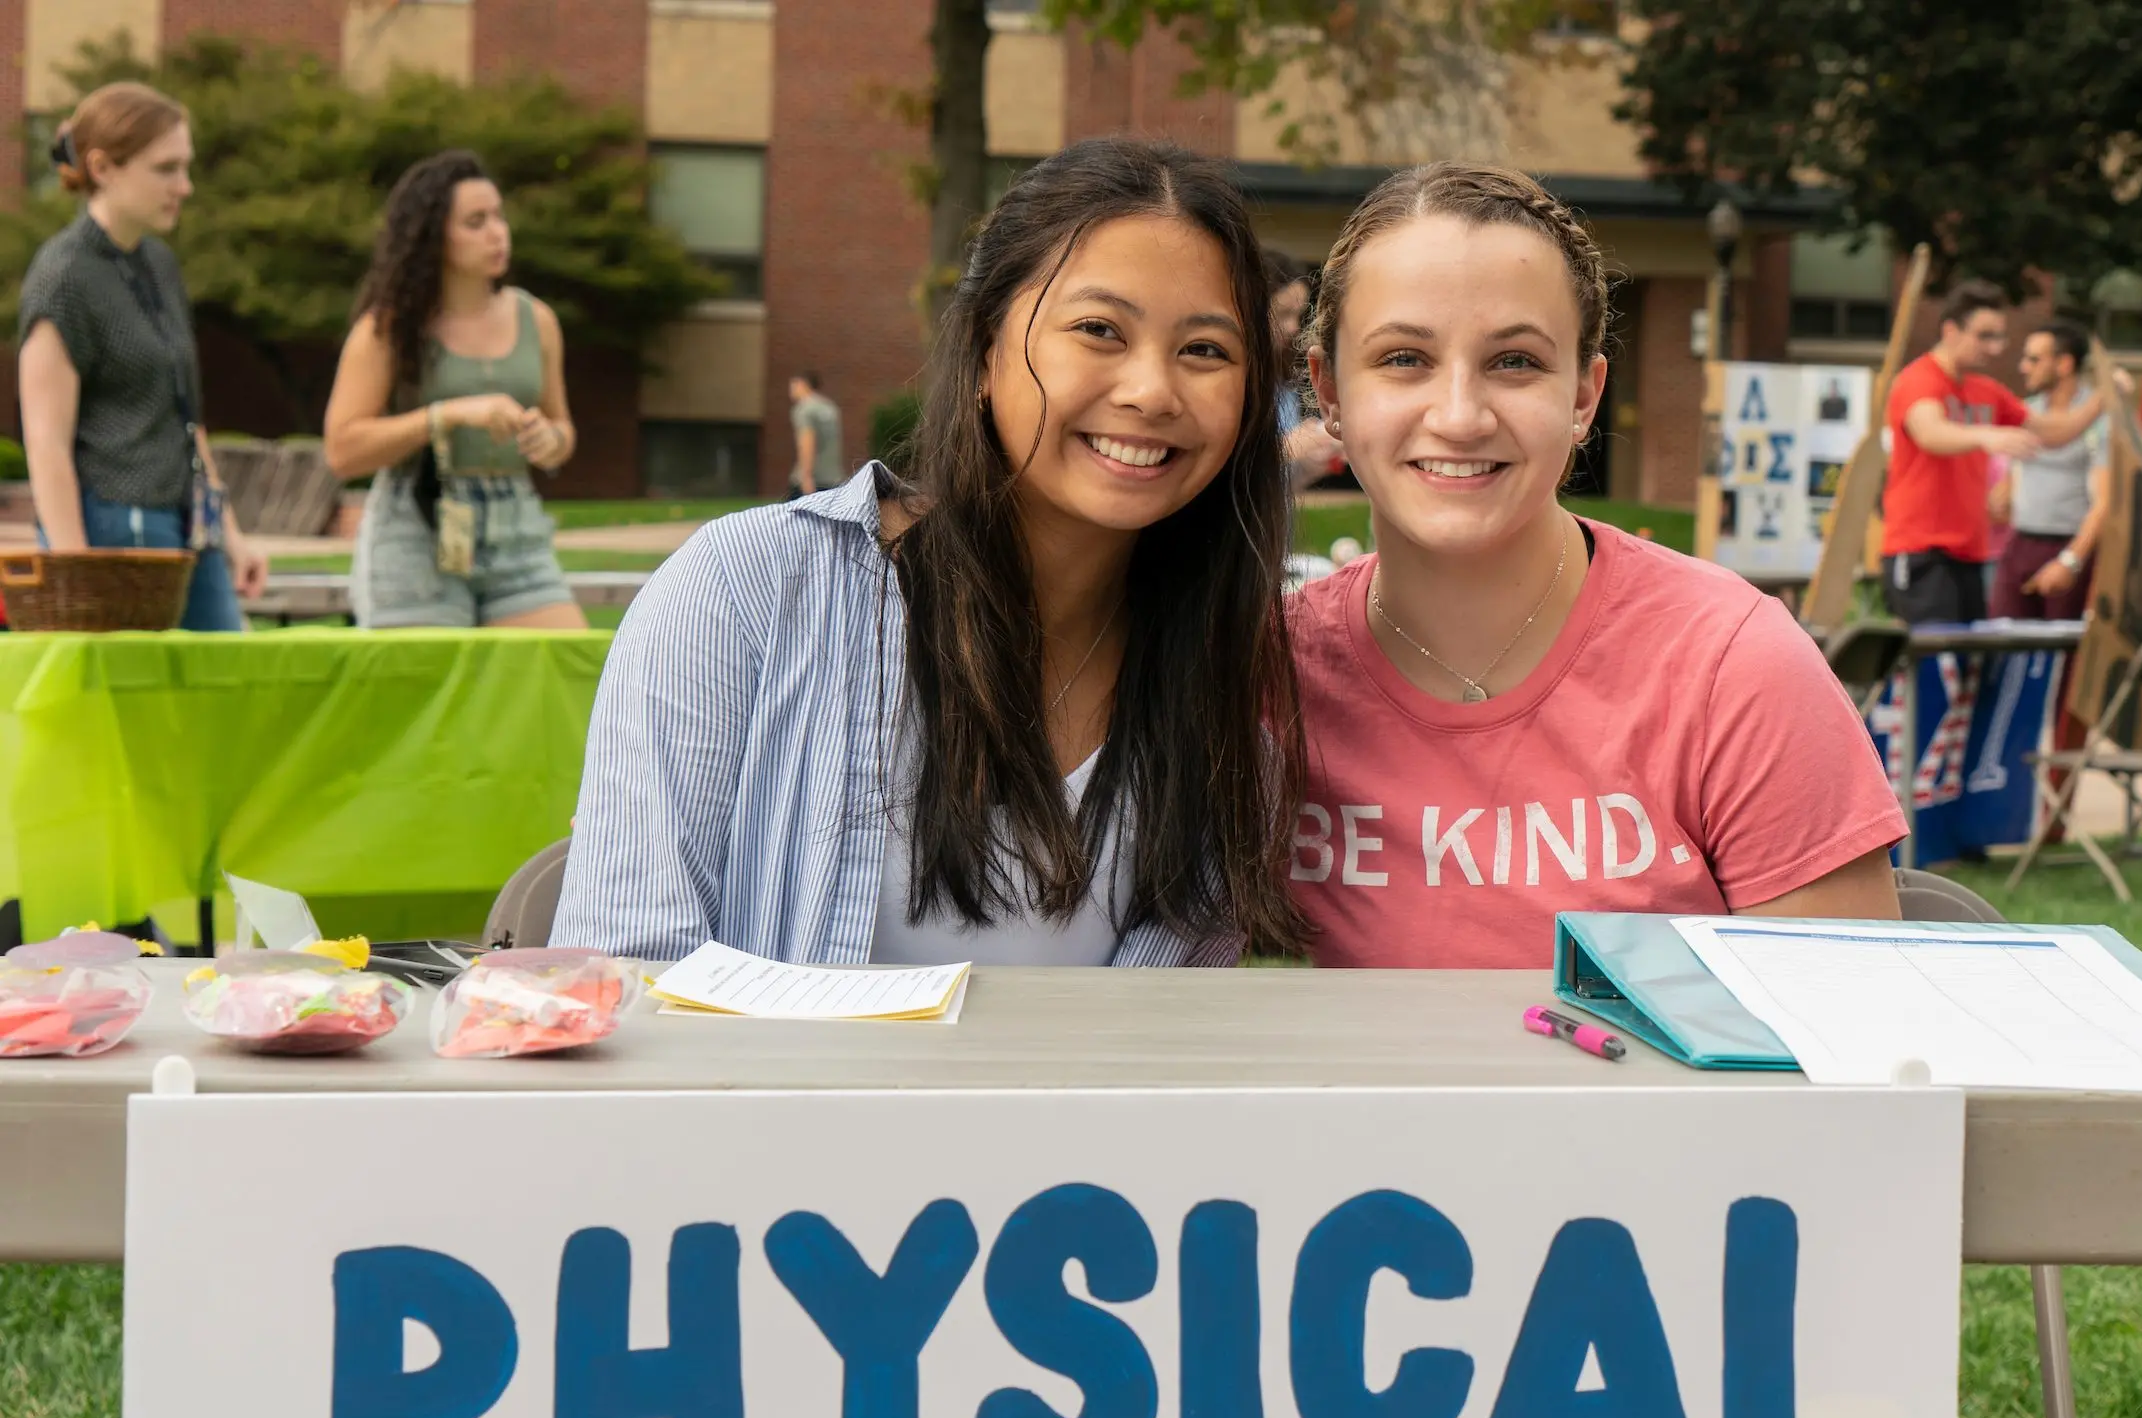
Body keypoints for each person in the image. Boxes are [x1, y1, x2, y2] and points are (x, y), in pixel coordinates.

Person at [552, 137, 1305, 967]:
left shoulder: (1227, 729)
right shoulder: (750, 595)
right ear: (985, 350)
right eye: (1098, 330)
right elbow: (624, 978)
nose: (1151, 391)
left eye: (1206, 350)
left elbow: (1148, 1066)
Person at [1287, 162, 1908, 970]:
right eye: (1404, 358)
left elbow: (1853, 1041)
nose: (1460, 415)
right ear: (1328, 390)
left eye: (1515, 362)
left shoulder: (1731, 668)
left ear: (1585, 395)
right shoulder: (1266, 677)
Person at [17, 82, 268, 630]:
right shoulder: (63, 276)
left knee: (229, 686)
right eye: (166, 169)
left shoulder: (159, 263)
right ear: (104, 167)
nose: (185, 185)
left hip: (187, 526)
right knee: (133, 709)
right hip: (112, 529)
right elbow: (45, 442)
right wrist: (74, 568)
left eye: (186, 167)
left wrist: (232, 534)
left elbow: (184, 417)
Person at [322, 150, 586, 630]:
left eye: (499, 217)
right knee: (428, 692)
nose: (497, 233)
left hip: (516, 531)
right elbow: (342, 450)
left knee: (562, 674)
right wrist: (449, 414)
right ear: (432, 235)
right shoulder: (388, 329)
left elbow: (562, 428)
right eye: (475, 221)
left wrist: (551, 441)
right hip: (415, 529)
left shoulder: (538, 321)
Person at [1879, 282, 2110, 625]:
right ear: (1950, 330)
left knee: (1973, 666)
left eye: (1999, 337)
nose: (1995, 348)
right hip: (1922, 551)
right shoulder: (1919, 380)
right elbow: (1930, 432)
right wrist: (1986, 435)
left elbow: (2055, 432)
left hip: (1972, 554)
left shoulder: (1986, 391)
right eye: (1984, 336)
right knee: (1936, 667)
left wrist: (2104, 398)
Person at [1989, 322, 2113, 620]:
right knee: (2001, 645)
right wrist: (2002, 494)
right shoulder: (2027, 412)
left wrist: (2071, 561)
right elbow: (2014, 474)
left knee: (2060, 657)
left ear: (2064, 364)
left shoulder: (2100, 420)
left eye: (2034, 359)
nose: (2023, 367)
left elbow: (2105, 502)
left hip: (2067, 546)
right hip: (2019, 544)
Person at [1266, 250, 1344, 491]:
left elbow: (1274, 491)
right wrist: (1287, 449)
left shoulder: (1282, 381)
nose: (1293, 328)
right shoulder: (1230, 382)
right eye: (1283, 314)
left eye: (1298, 316)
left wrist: (1310, 464)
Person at [787, 372, 844, 497]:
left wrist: (806, 476)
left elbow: (807, 441)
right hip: (833, 478)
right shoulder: (830, 407)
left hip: (812, 480)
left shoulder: (804, 409)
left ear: (803, 385)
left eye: (793, 386)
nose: (790, 390)